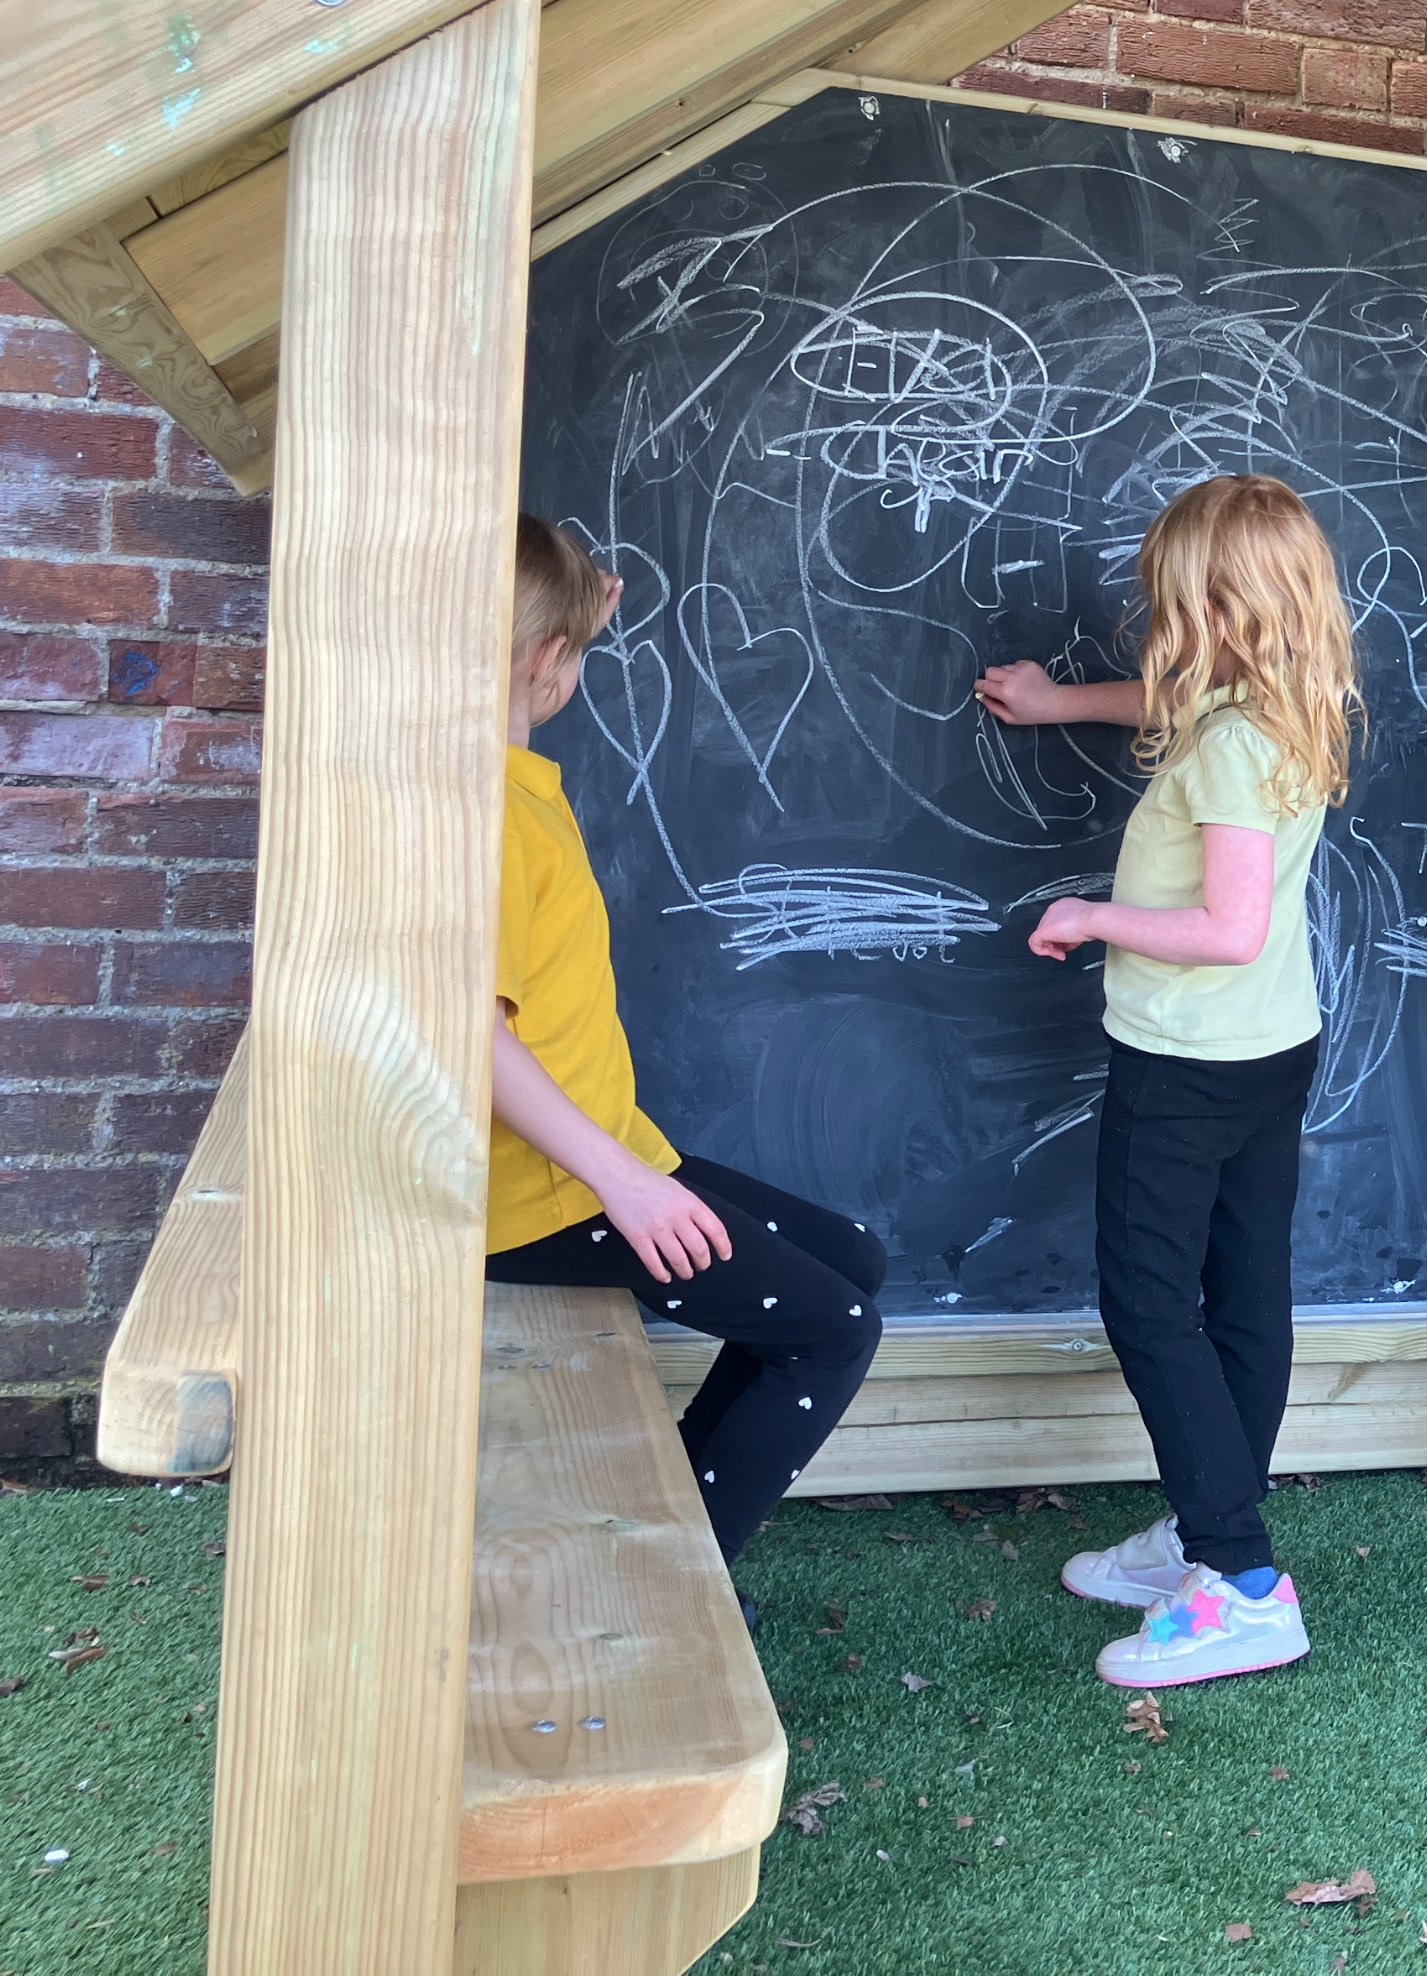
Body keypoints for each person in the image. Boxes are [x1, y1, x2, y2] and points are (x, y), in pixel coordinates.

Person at [976, 473, 1359, 1688]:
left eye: (1170, 600)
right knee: (1244, 1295)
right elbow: (1167, 705)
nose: (1155, 616)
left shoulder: (1237, 744)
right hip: (1266, 1048)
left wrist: (1092, 914)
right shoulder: (1283, 698)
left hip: (1189, 1058)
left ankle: (1243, 1582)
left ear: (1217, 607)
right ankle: (1207, 1535)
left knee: (1150, 1301)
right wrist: (1052, 706)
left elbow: (1229, 925)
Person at [483, 514, 886, 1617]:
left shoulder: (498, 774)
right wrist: (624, 1184)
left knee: (850, 1257)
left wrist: (573, 612)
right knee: (832, 1330)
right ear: (542, 660)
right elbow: (471, 1034)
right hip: (544, 1194)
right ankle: (663, 1583)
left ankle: (661, 1533)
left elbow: (536, 640)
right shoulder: (488, 819)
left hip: (597, 1156)